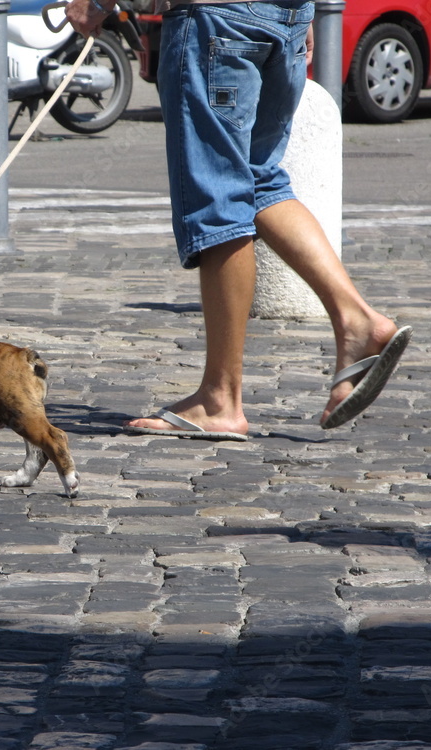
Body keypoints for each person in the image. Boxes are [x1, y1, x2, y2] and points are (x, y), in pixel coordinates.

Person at [65, 0, 411, 440]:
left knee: (218, 196)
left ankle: (220, 400)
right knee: (260, 180)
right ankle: (357, 320)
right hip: (285, 16)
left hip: (217, 17)